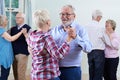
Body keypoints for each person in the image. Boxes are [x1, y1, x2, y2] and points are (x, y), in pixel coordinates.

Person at [24, 10, 73, 80]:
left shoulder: (32, 35)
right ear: (48, 22)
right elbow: (58, 55)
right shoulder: (46, 37)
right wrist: (68, 39)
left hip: (36, 75)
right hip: (48, 76)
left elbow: (29, 44)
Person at [50, 5, 92, 80]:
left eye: (67, 14)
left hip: (72, 70)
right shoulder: (54, 30)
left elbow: (88, 48)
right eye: (62, 14)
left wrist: (76, 36)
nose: (64, 16)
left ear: (74, 16)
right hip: (54, 69)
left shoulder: (81, 29)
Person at [0, 15, 26, 80]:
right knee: (5, 74)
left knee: (4, 73)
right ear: (2, 22)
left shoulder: (3, 31)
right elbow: (11, 39)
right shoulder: (2, 31)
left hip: (4, 54)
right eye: (6, 20)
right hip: (4, 55)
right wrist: (21, 32)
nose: (7, 21)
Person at [10, 12, 31, 80]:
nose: (16, 19)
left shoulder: (28, 28)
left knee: (21, 73)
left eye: (18, 18)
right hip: (13, 53)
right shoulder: (13, 28)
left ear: (23, 19)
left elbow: (31, 40)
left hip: (23, 53)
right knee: (15, 73)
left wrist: (25, 34)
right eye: (16, 17)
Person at [85, 10, 105, 80]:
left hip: (90, 51)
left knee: (91, 71)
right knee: (98, 73)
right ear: (98, 17)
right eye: (101, 17)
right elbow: (104, 38)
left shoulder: (86, 26)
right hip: (99, 52)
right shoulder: (101, 26)